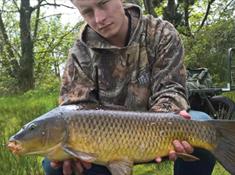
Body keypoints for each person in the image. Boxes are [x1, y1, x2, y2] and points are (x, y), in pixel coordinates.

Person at [42, 0, 216, 174]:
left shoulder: (161, 32)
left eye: (103, 3)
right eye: (87, 11)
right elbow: (76, 108)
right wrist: (73, 152)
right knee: (54, 166)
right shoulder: (80, 52)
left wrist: (157, 133)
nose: (99, 18)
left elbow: (171, 89)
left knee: (202, 124)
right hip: (103, 146)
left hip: (160, 135)